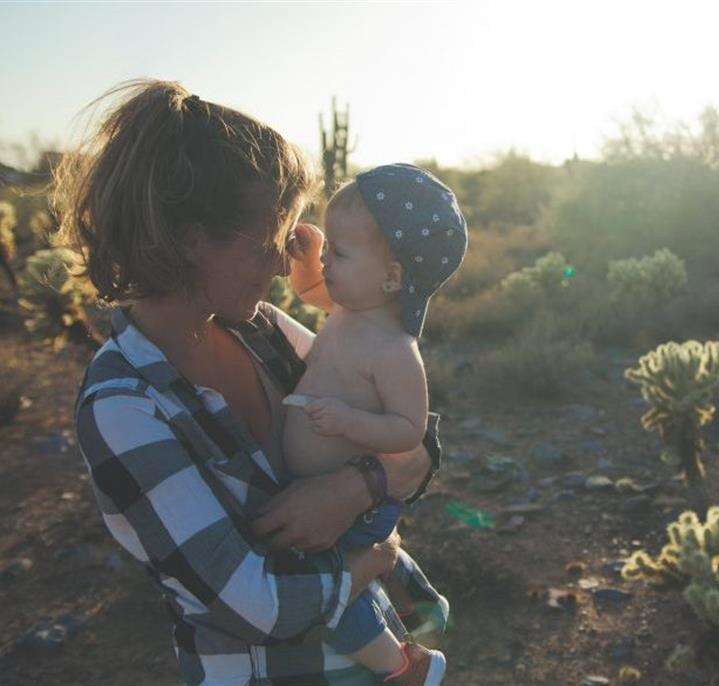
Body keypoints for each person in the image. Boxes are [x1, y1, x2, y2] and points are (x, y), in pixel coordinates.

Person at [55, 79, 444, 686]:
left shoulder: (258, 329)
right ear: (189, 242)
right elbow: (256, 605)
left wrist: (354, 486)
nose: (285, 262)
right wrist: (376, 554)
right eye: (271, 238)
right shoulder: (124, 405)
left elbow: (417, 445)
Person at [279, 165, 466, 684]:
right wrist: (311, 256)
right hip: (321, 486)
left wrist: (348, 421)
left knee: (334, 589)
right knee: (365, 561)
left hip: (350, 503)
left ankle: (403, 667)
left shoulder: (393, 350)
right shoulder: (350, 308)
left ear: (392, 276)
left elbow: (409, 429)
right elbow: (312, 290)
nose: (328, 266)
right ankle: (418, 595)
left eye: (340, 253)